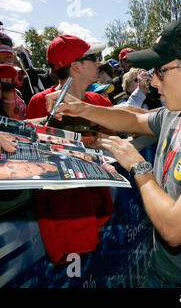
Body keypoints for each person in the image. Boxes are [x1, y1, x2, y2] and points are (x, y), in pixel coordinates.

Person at [45, 20, 181, 288]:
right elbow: (132, 120)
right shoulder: (176, 116)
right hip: (159, 272)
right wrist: (80, 108)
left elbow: (174, 230)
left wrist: (138, 167)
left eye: (161, 71)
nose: (153, 82)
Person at [25, 34, 115, 265]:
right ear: (76, 65)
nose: (99, 62)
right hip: (65, 213)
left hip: (99, 203)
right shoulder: (39, 102)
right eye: (93, 58)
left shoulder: (99, 100)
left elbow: (118, 134)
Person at [0, 32, 27, 119]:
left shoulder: (17, 95)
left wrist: (8, 89)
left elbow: (15, 124)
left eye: (8, 57)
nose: (5, 63)